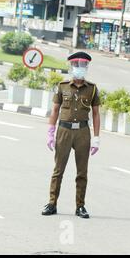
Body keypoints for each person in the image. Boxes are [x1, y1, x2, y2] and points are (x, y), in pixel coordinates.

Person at [42, 51, 101, 219]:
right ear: (71, 66)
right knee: (58, 170)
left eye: (83, 65)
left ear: (87, 67)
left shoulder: (92, 89)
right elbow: (55, 110)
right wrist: (50, 132)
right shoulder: (62, 86)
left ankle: (80, 206)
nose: (79, 68)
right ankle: (52, 203)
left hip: (83, 132)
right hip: (64, 131)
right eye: (76, 65)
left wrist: (96, 138)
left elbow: (96, 114)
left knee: (82, 172)